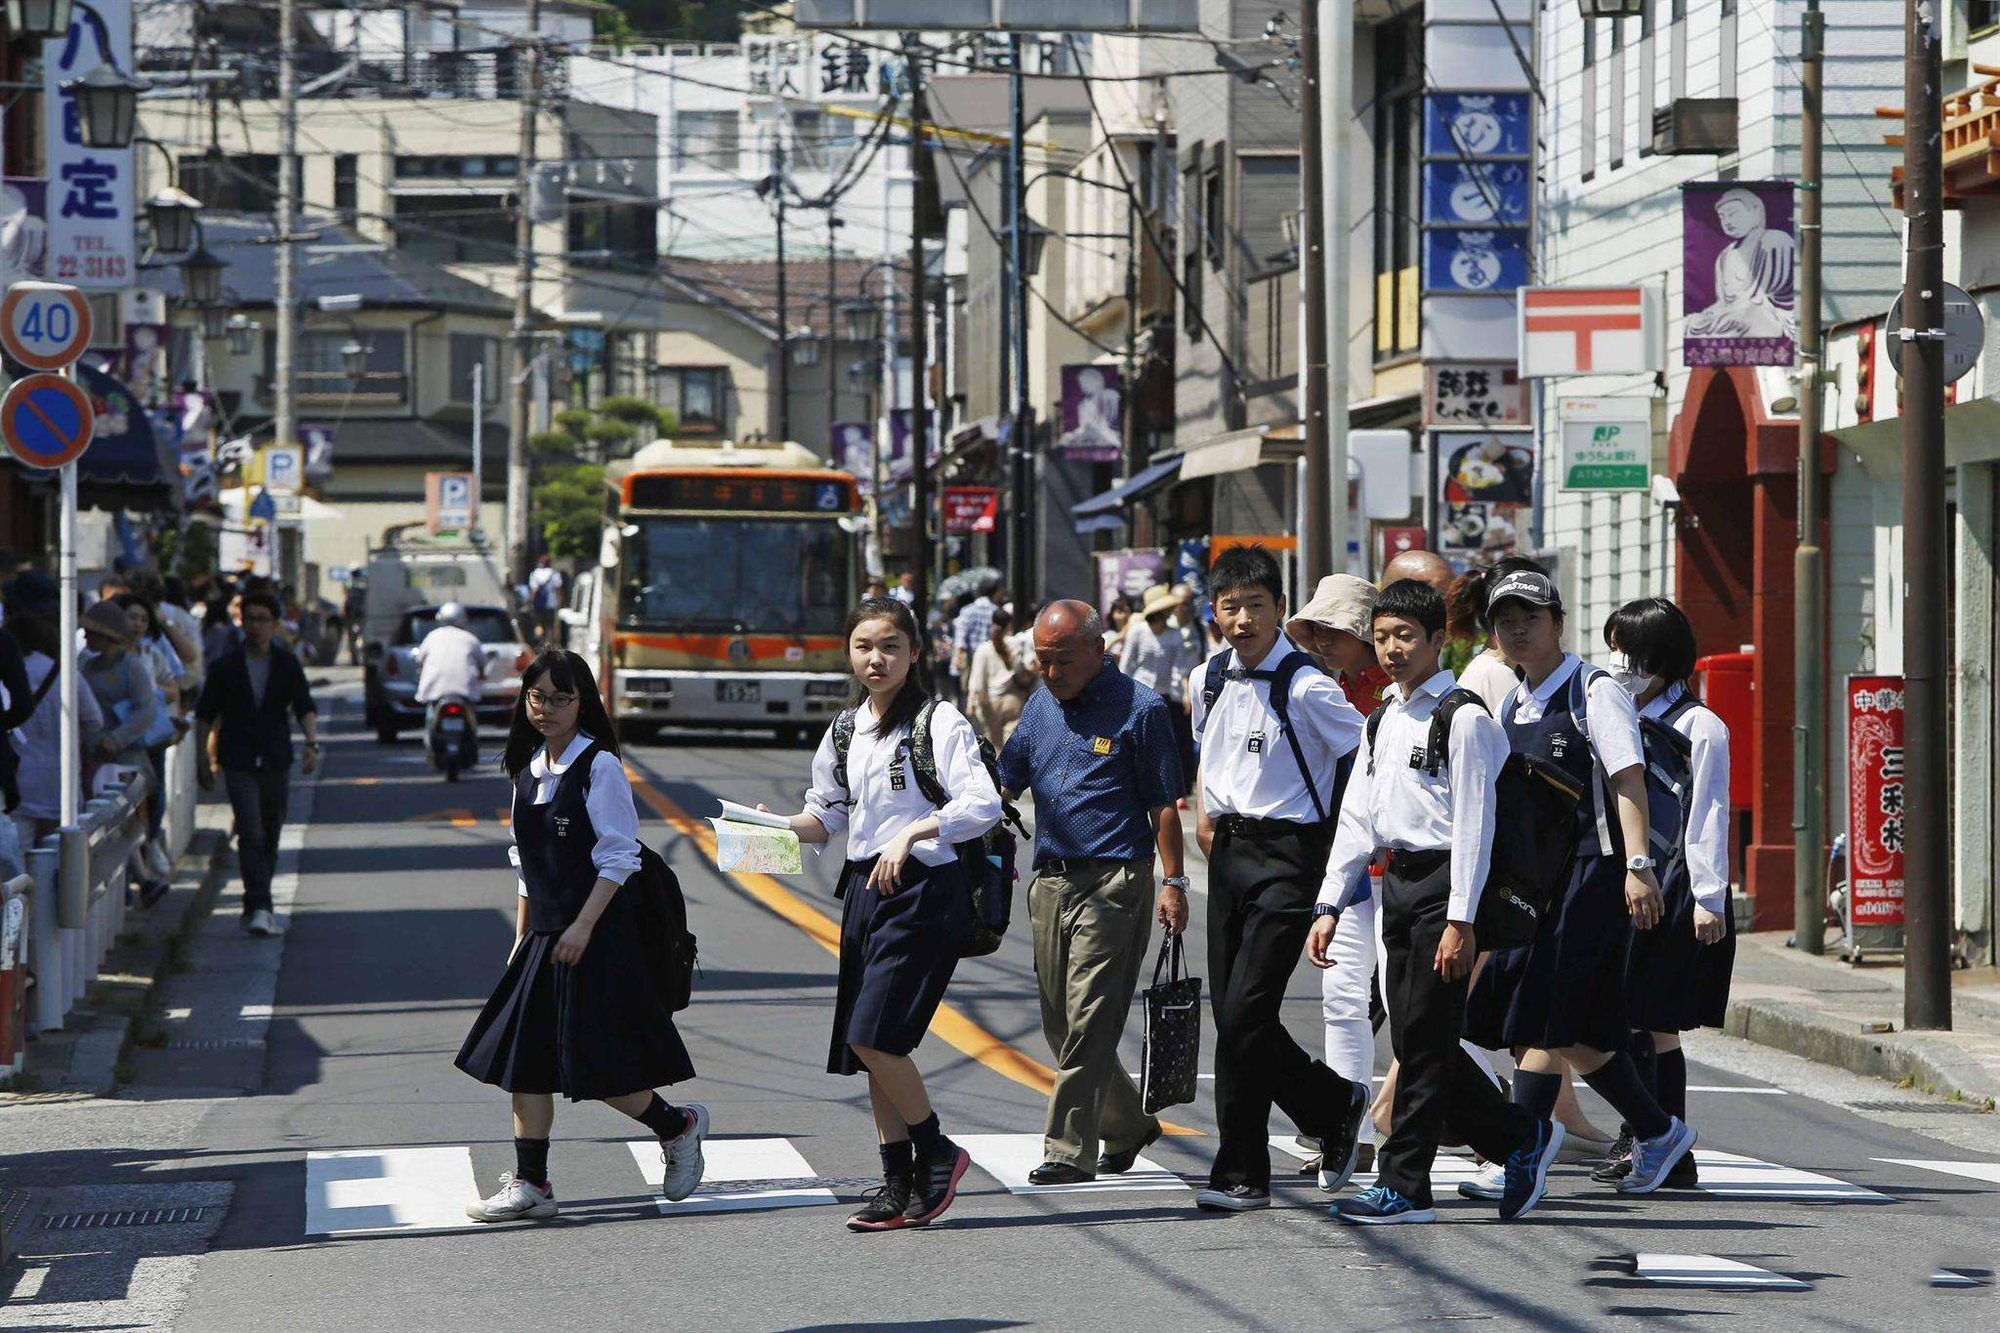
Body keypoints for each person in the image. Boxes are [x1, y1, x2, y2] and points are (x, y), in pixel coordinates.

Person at [1311, 579, 1560, 1224]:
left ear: (1438, 641)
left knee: (1422, 1041)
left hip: (1447, 887)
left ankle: (1406, 1184)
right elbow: (1357, 818)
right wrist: (1330, 902)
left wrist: (1461, 919)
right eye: (1382, 637)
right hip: (1395, 885)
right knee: (1423, 1038)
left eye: (1405, 637)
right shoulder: (1382, 716)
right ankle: (1520, 1136)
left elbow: (1476, 825)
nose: (1391, 650)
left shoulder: (1464, 716)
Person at [763, 596, 1001, 1232]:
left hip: (924, 889)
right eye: (865, 646)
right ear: (849, 652)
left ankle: (938, 1152)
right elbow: (828, 816)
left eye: (891, 646)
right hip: (866, 889)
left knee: (873, 1034)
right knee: (873, 1046)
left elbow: (983, 804)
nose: (877, 658)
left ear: (915, 653)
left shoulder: (937, 721)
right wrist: (767, 831)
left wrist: (915, 833)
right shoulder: (846, 729)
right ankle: (898, 1185)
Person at [1459, 569, 1697, 1199]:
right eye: (1505, 620)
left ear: (1558, 623)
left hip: (1595, 872)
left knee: (1541, 1014)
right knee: (1576, 1032)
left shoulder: (1594, 690)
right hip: (1535, 879)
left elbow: (1628, 779)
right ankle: (1657, 1129)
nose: (1517, 629)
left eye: (1530, 618)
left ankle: (1521, 1153)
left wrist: (1639, 867)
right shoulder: (1512, 700)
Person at [455, 649, 707, 1222]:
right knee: (524, 1062)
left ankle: (677, 1124)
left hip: (594, 936)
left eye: (561, 698)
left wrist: (583, 927)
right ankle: (532, 1183)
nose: (546, 708)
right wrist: (522, 937)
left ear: (583, 703)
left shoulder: (600, 767)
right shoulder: (526, 768)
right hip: (544, 936)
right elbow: (526, 863)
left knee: (596, 1068)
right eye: (537, 697)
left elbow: (619, 858)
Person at [1184, 545, 1369, 1211]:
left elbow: (1364, 756)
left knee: (1245, 1013)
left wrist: (1347, 849)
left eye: (1255, 606)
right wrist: (1206, 816)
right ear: (1213, 611)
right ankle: (1245, 1167)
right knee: (1235, 1018)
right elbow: (1207, 753)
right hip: (1230, 852)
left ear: (1279, 609)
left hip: (1293, 855)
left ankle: (1320, 1111)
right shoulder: (1206, 677)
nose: (1242, 620)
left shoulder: (1307, 684)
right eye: (1229, 607)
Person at [996, 601, 1187, 1185]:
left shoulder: (1142, 709)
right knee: (1060, 1022)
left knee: (1089, 1018)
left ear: (1098, 651)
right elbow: (1005, 779)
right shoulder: (1040, 706)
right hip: (1050, 880)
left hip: (1115, 880)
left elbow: (1164, 806)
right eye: (1042, 660)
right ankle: (1128, 1124)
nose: (1051, 672)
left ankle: (1067, 1149)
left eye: (1062, 660)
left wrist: (1174, 882)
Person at [1594, 598, 1734, 1189]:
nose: (1619, 663)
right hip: (1622, 879)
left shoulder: (1702, 726)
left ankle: (1667, 1140)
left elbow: (1709, 814)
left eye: (1628, 651)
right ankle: (1645, 1132)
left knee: (1656, 1017)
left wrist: (1709, 896)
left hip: (1675, 883)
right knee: (1619, 1013)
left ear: (1659, 658)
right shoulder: (1613, 710)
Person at [1283, 574, 1388, 1180]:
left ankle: (1488, 1127)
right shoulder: (1321, 687)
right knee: (1343, 1001)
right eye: (1315, 631)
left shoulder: (1399, 691)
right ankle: (1350, 1132)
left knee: (1416, 1005)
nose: (1322, 642)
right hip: (1346, 866)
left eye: (1334, 631)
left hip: (1405, 867)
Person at [196, 590, 319, 937]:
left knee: (271, 829)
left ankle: (257, 901)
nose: (255, 626)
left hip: (276, 757)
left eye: (263, 619)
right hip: (237, 757)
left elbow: (304, 706)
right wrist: (201, 759)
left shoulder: (286, 663)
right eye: (249, 619)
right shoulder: (226, 666)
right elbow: (205, 715)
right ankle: (261, 905)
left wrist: (312, 743)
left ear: (276, 625)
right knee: (249, 829)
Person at [415, 602, 490, 759]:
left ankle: (430, 748)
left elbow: (419, 659)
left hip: (436, 690)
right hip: (465, 691)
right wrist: (482, 674)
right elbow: (482, 662)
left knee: (430, 715)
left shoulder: (432, 636)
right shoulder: (470, 638)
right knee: (472, 718)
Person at [963, 606, 1035, 747]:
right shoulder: (1015, 644)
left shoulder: (983, 650)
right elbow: (1020, 668)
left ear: (992, 623)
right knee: (1012, 745)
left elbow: (977, 681)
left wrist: (971, 701)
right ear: (1009, 625)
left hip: (990, 702)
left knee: (994, 747)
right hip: (1013, 699)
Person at [1118, 584, 1194, 704]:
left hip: (1164, 694)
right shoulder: (1137, 631)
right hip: (1139, 691)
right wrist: (1122, 692)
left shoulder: (1175, 635)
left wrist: (1184, 693)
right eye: (1166, 609)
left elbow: (1180, 668)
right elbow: (1126, 664)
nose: (1170, 612)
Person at [950, 579, 1000, 697]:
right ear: (995, 593)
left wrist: (958, 657)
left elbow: (961, 637)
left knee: (967, 693)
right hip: (988, 658)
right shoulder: (996, 611)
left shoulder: (967, 610)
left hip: (969, 657)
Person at [527, 555, 565, 644]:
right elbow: (558, 590)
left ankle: (539, 643)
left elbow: (533, 590)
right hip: (551, 604)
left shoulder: (535, 573)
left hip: (538, 605)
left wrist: (531, 602)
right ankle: (550, 645)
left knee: (539, 624)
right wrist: (561, 602)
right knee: (551, 626)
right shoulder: (554, 573)